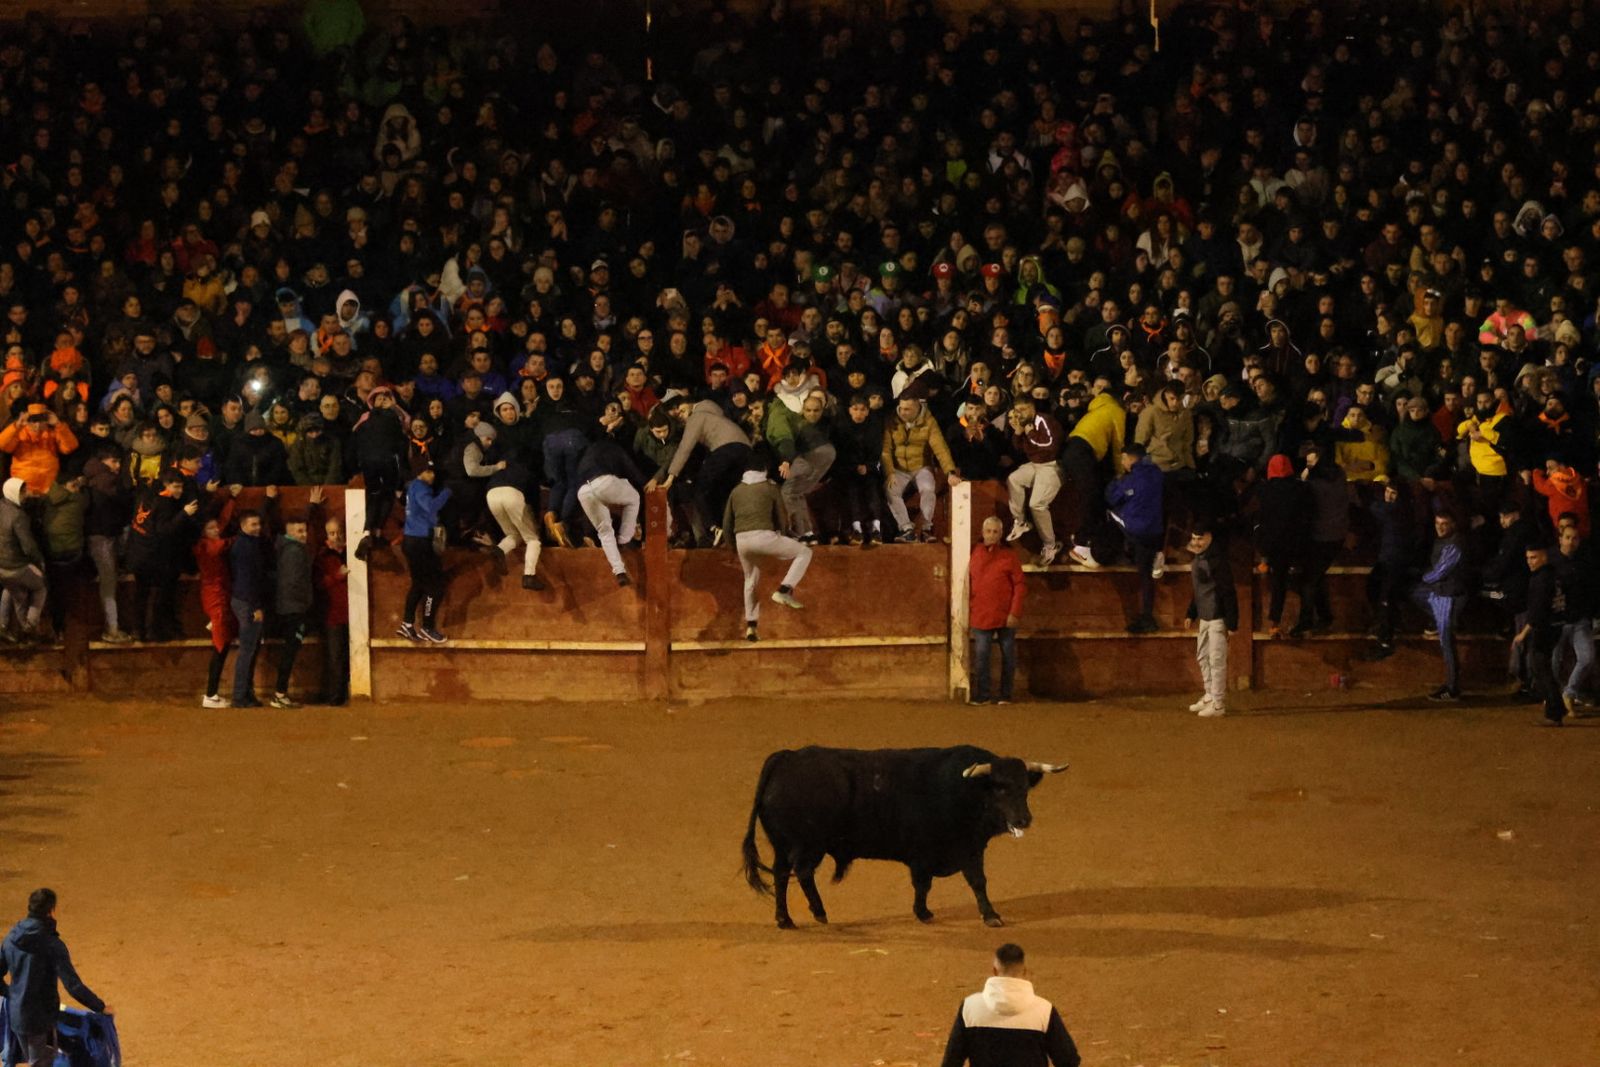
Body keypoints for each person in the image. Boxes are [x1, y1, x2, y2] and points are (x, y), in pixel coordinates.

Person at [1, 889, 109, 1067]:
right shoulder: (52, 944)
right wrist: (100, 1006)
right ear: (51, 911)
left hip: (17, 1017)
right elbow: (73, 986)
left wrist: (12, 995)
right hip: (40, 1019)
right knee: (40, 1062)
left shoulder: (11, 938)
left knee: (32, 1059)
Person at [938, 943, 1080, 1067]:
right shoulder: (1044, 1010)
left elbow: (951, 1061)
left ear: (994, 971)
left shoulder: (970, 1007)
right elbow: (1068, 1060)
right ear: (1024, 972)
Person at [723, 450, 811, 642]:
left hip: (742, 541)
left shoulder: (736, 490)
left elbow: (727, 523)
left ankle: (751, 625)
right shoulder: (770, 487)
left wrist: (732, 548)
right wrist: (784, 535)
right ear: (764, 469)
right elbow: (782, 517)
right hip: (764, 536)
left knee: (750, 580)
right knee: (804, 552)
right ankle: (784, 590)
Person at [657, 395, 751, 546]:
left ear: (689, 404)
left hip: (724, 449)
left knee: (700, 489)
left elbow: (685, 448)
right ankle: (733, 530)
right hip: (745, 450)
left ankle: (713, 527)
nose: (681, 416)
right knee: (725, 491)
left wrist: (670, 478)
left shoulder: (696, 417)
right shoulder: (715, 414)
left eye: (681, 411)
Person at [575, 404, 648, 587]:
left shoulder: (589, 450)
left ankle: (619, 571)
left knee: (604, 532)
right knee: (634, 497)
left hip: (583, 491)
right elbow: (631, 471)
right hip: (604, 481)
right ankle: (625, 538)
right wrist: (647, 482)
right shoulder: (614, 447)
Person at [882, 395, 962, 542]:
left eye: (907, 409)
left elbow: (940, 448)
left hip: (921, 466)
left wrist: (949, 472)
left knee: (928, 489)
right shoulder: (891, 420)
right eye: (901, 408)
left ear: (917, 408)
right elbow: (886, 450)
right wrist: (890, 472)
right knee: (891, 490)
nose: (903, 412)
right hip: (899, 468)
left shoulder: (929, 422)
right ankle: (906, 529)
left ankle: (926, 527)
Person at [1105, 442, 1166, 633]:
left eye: (1123, 458)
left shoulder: (1130, 479)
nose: (1122, 462)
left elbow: (1112, 498)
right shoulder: (1157, 473)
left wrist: (1115, 481)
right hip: (1156, 531)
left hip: (1137, 531)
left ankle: (1121, 550)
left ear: (1131, 458)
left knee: (1110, 513)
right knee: (1145, 575)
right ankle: (1147, 616)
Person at [270, 489, 322, 708]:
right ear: (290, 533)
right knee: (290, 650)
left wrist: (311, 507)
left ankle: (280, 692)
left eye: (304, 531)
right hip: (293, 609)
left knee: (290, 649)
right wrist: (304, 605)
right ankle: (280, 693)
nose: (304, 534)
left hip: (289, 607)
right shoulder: (294, 552)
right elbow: (293, 582)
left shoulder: (288, 546)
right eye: (299, 531)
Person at [1412, 511, 1469, 702]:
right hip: (1441, 592)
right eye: (1438, 523)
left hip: (1448, 596)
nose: (1440, 527)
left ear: (1452, 524)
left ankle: (1452, 687)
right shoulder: (1442, 541)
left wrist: (1422, 577)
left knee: (1446, 642)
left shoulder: (1455, 544)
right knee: (1414, 594)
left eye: (1444, 524)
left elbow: (1440, 571)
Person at [968, 516, 1024, 705]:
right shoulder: (975, 552)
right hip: (982, 613)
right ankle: (983, 695)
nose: (991, 535)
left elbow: (1020, 586)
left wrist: (1014, 612)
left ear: (1001, 534)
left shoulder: (1009, 556)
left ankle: (1004, 695)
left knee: (1007, 656)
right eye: (988, 531)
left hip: (1004, 614)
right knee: (982, 657)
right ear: (983, 532)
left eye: (995, 532)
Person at [228, 491, 275, 709]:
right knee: (248, 649)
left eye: (258, 524)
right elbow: (250, 579)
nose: (257, 528)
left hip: (244, 599)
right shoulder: (245, 547)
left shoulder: (245, 544)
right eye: (253, 524)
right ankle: (240, 695)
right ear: (243, 525)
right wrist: (256, 606)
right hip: (248, 601)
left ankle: (245, 694)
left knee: (250, 649)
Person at [1004, 396, 1064, 564]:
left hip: (1052, 465)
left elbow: (1050, 445)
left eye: (1023, 410)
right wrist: (1017, 434)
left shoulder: (1043, 420)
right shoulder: (1023, 425)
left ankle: (1050, 545)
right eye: (1017, 411)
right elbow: (1019, 450)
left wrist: (1030, 433)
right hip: (1035, 464)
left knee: (1036, 504)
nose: (1020, 414)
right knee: (1014, 479)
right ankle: (1021, 521)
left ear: (1032, 408)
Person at [398, 458, 451, 643]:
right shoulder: (420, 487)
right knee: (435, 586)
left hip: (410, 539)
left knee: (418, 584)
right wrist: (446, 492)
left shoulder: (412, 487)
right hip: (420, 541)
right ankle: (427, 627)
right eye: (429, 471)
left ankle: (407, 623)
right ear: (421, 473)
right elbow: (430, 507)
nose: (433, 475)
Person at [1185, 523, 1235, 717]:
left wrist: (1231, 623)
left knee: (1216, 660)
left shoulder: (1217, 562)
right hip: (1205, 616)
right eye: (1194, 538)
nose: (1196, 542)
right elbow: (1199, 590)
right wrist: (1191, 613)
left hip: (1217, 617)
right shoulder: (1201, 559)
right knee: (1203, 656)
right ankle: (1209, 695)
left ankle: (1218, 703)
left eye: (1200, 538)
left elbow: (1228, 591)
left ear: (1209, 538)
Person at [1515, 542, 1567, 725]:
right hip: (1556, 625)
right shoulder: (1554, 575)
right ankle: (1557, 707)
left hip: (1545, 628)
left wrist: (1523, 633)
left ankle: (1555, 711)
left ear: (1544, 557)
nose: (1530, 562)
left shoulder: (1541, 578)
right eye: (1528, 558)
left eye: (1534, 557)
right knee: (1542, 667)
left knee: (1540, 668)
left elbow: (1538, 611)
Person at [0, 478, 46, 643]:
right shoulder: (18, 516)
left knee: (15, 593)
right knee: (40, 587)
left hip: (2, 567)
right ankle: (30, 627)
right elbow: (28, 547)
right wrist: (40, 561)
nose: (25, 495)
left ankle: (6, 627)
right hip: (17, 566)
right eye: (23, 492)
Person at [313, 515, 351, 705]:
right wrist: (338, 576)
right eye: (331, 533)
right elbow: (319, 584)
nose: (335, 536)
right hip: (332, 614)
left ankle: (342, 693)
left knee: (342, 656)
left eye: (338, 532)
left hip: (348, 613)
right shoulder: (322, 556)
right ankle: (335, 696)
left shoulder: (349, 552)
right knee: (335, 657)